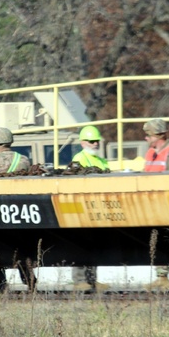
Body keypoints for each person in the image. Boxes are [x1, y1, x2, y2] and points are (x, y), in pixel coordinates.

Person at [142, 118, 169, 289]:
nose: (146, 139)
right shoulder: (151, 153)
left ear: (158, 135)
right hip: (154, 205)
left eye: (148, 135)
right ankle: (162, 276)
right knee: (158, 241)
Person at [70, 125, 109, 292]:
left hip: (96, 208)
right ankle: (80, 281)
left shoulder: (100, 160)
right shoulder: (79, 159)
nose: (95, 144)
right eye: (92, 141)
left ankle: (92, 281)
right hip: (81, 209)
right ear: (83, 142)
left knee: (94, 246)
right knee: (80, 244)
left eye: (97, 141)